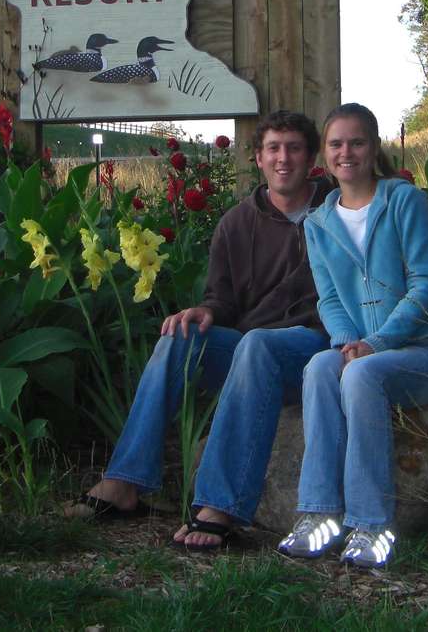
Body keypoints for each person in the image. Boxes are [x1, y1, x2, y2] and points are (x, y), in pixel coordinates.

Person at [66, 109, 334, 549]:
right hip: (249, 352)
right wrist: (205, 311)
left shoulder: (336, 209)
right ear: (259, 158)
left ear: (311, 158)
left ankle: (220, 506)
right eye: (273, 149)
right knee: (180, 337)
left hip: (311, 350)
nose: (283, 158)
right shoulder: (236, 224)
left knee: (258, 345)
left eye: (294, 148)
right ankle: (124, 482)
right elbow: (221, 299)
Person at [277, 103, 428, 569]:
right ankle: (319, 514)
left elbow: (426, 286)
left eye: (356, 142)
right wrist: (347, 343)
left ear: (374, 148)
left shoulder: (404, 202)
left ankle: (373, 525)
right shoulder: (318, 223)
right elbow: (330, 299)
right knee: (320, 366)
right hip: (360, 347)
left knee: (360, 375)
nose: (346, 152)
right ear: (324, 154)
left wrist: (375, 344)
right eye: (336, 144)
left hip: (420, 354)